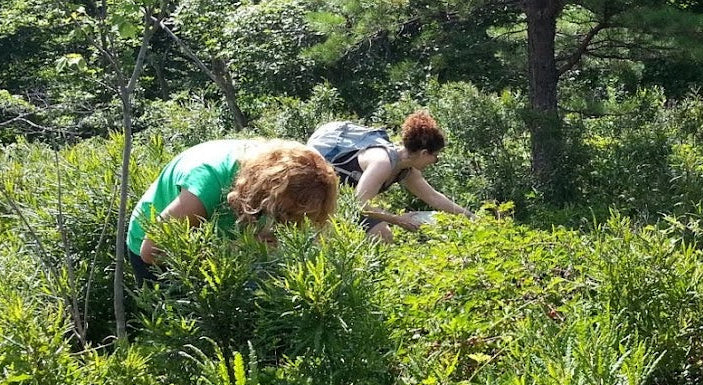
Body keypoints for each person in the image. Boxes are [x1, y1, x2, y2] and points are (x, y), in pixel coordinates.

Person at [127, 139, 339, 286]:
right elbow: (152, 251)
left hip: (221, 235)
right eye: (285, 212)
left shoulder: (288, 171)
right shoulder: (208, 182)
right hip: (151, 247)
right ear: (267, 189)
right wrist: (237, 250)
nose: (287, 221)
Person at [308, 110, 473, 243]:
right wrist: (398, 220)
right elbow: (359, 204)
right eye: (435, 157)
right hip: (321, 191)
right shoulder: (382, 162)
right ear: (423, 153)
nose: (435, 161)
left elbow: (434, 197)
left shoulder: (407, 170)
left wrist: (472, 218)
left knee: (382, 236)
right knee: (328, 240)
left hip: (342, 199)